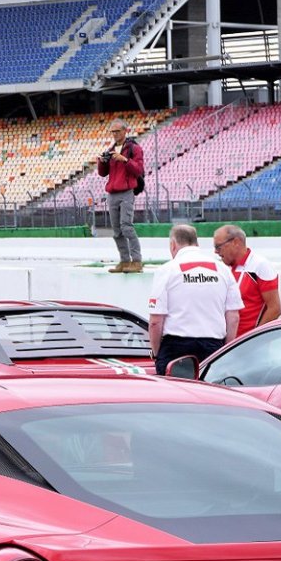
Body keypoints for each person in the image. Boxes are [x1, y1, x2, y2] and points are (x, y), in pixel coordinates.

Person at [147, 224, 242, 375]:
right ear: (196, 243)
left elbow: (155, 321)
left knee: (175, 396)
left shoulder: (166, 270)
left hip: (176, 348)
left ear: (173, 245)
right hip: (214, 345)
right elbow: (233, 317)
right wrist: (224, 353)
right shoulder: (223, 270)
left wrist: (157, 353)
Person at [212, 224, 281, 338]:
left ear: (236, 242)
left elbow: (275, 309)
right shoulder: (224, 267)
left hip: (248, 344)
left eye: (218, 247)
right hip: (227, 342)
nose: (215, 252)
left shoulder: (260, 266)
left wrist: (253, 338)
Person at [95, 118, 145, 273]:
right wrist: (102, 162)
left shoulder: (134, 149)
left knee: (126, 227)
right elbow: (103, 173)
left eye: (117, 131)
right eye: (113, 132)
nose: (115, 134)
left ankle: (136, 261)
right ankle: (124, 261)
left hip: (126, 192)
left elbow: (138, 170)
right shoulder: (111, 149)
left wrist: (124, 160)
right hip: (112, 193)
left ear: (125, 131)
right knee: (117, 230)